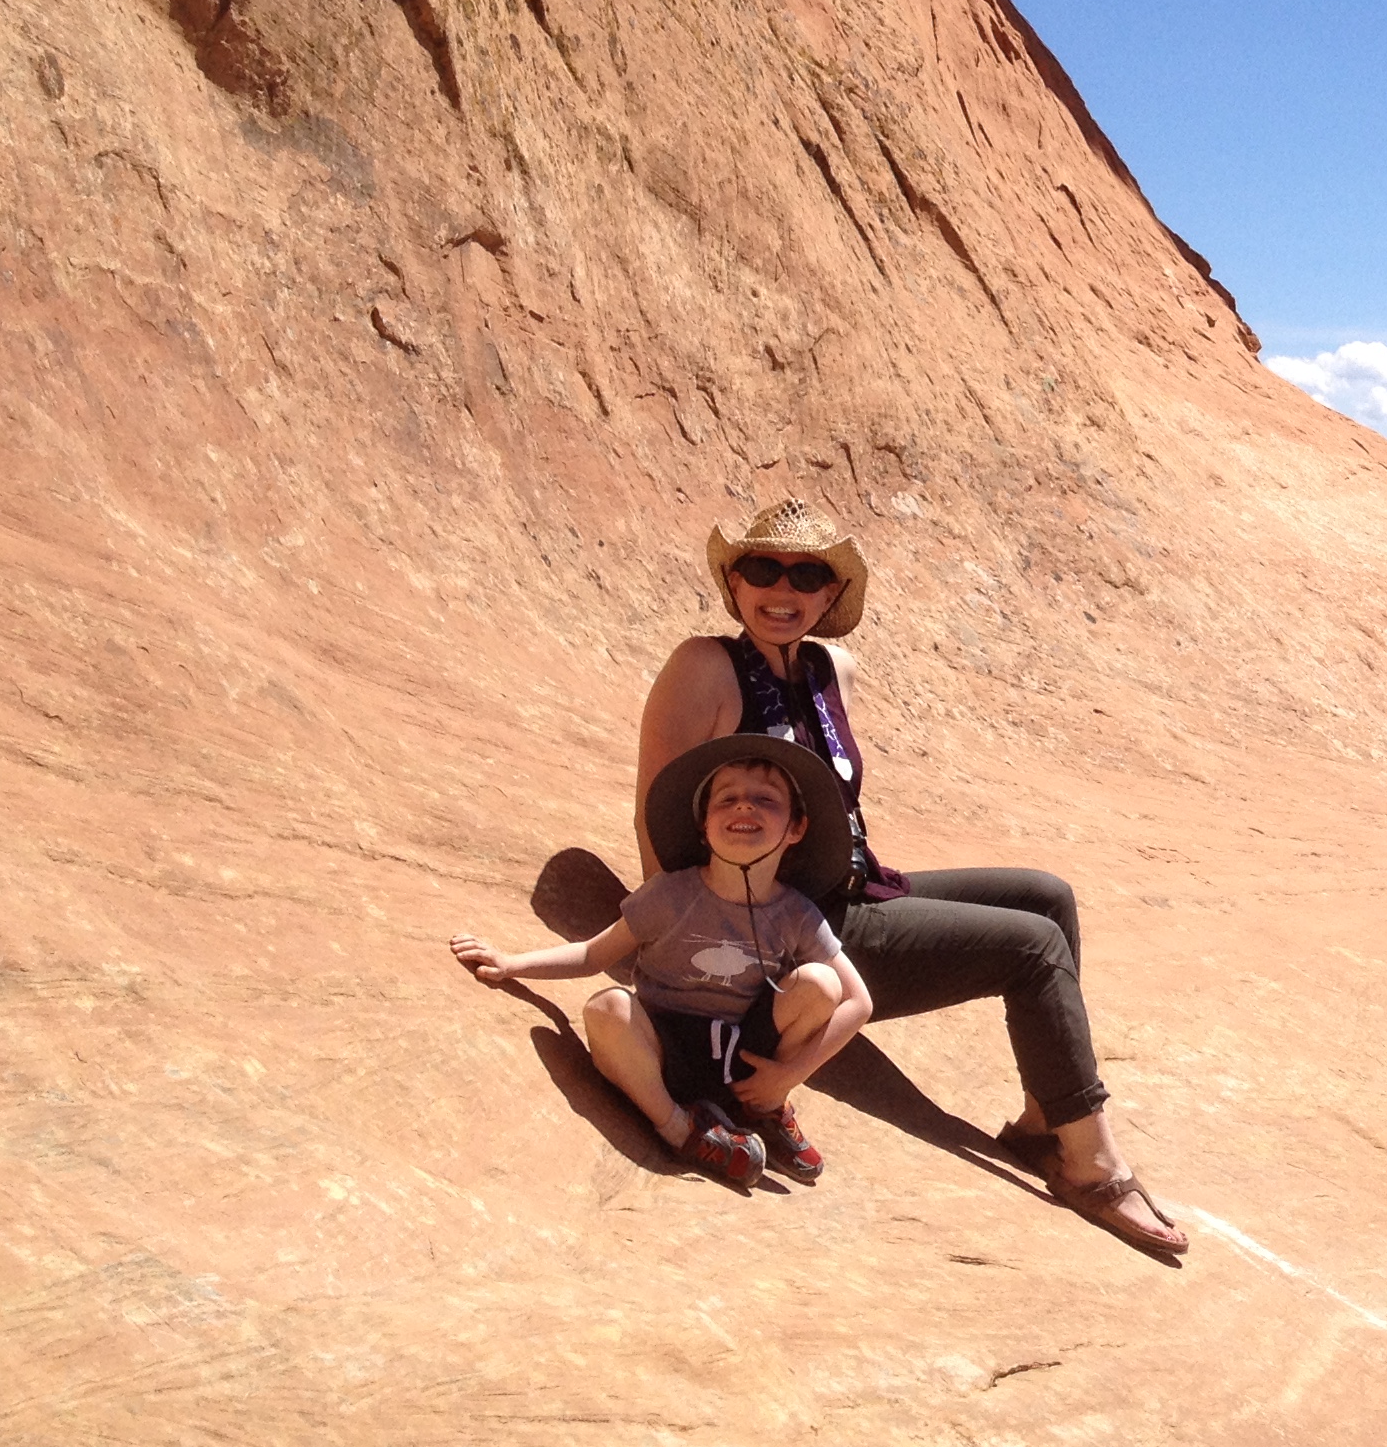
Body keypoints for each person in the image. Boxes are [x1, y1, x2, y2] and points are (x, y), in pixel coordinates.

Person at [634, 497, 1187, 1256]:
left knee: (1047, 895)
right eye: (762, 569)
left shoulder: (834, 669)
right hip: (784, 936)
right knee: (1030, 948)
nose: (782, 590)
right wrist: (690, 949)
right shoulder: (703, 666)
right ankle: (1091, 1162)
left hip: (852, 890)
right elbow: (658, 815)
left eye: (807, 575)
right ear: (733, 583)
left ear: (831, 596)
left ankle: (1039, 1123)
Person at [452, 734, 873, 1188]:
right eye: (727, 798)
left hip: (741, 1054)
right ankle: (683, 1132)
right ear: (703, 826)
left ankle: (763, 1108)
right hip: (663, 1050)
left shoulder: (796, 914)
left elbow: (858, 1001)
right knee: (607, 1008)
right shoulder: (671, 895)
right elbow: (595, 954)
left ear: (796, 828)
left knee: (821, 984)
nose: (744, 807)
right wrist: (512, 964)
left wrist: (789, 1075)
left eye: (765, 800)